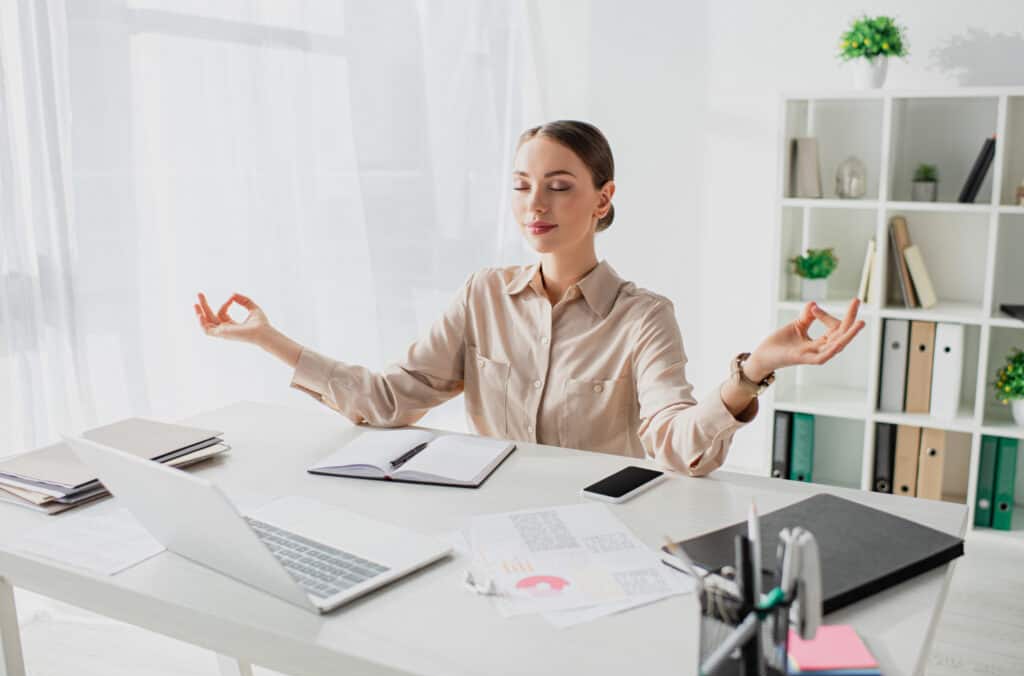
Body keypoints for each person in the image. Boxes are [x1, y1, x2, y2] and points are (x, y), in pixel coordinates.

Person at [194, 120, 864, 476]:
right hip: (486, 522)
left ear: (602, 198)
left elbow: (678, 447)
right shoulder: (482, 294)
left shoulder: (643, 317)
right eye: (521, 185)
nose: (534, 203)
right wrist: (266, 338)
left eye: (560, 185)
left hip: (600, 530)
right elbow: (389, 402)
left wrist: (750, 373)